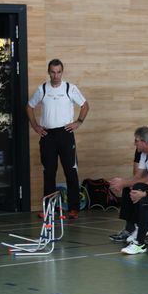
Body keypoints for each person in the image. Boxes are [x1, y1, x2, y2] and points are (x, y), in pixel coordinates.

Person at [26, 59, 89, 219]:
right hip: (48, 136)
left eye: (59, 72)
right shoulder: (42, 89)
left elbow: (85, 105)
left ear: (62, 72)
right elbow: (29, 107)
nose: (56, 75)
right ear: (49, 72)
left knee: (71, 171)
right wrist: (35, 126)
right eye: (53, 72)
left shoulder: (70, 88)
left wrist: (78, 122)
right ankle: (49, 209)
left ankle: (74, 208)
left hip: (65, 134)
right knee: (49, 172)